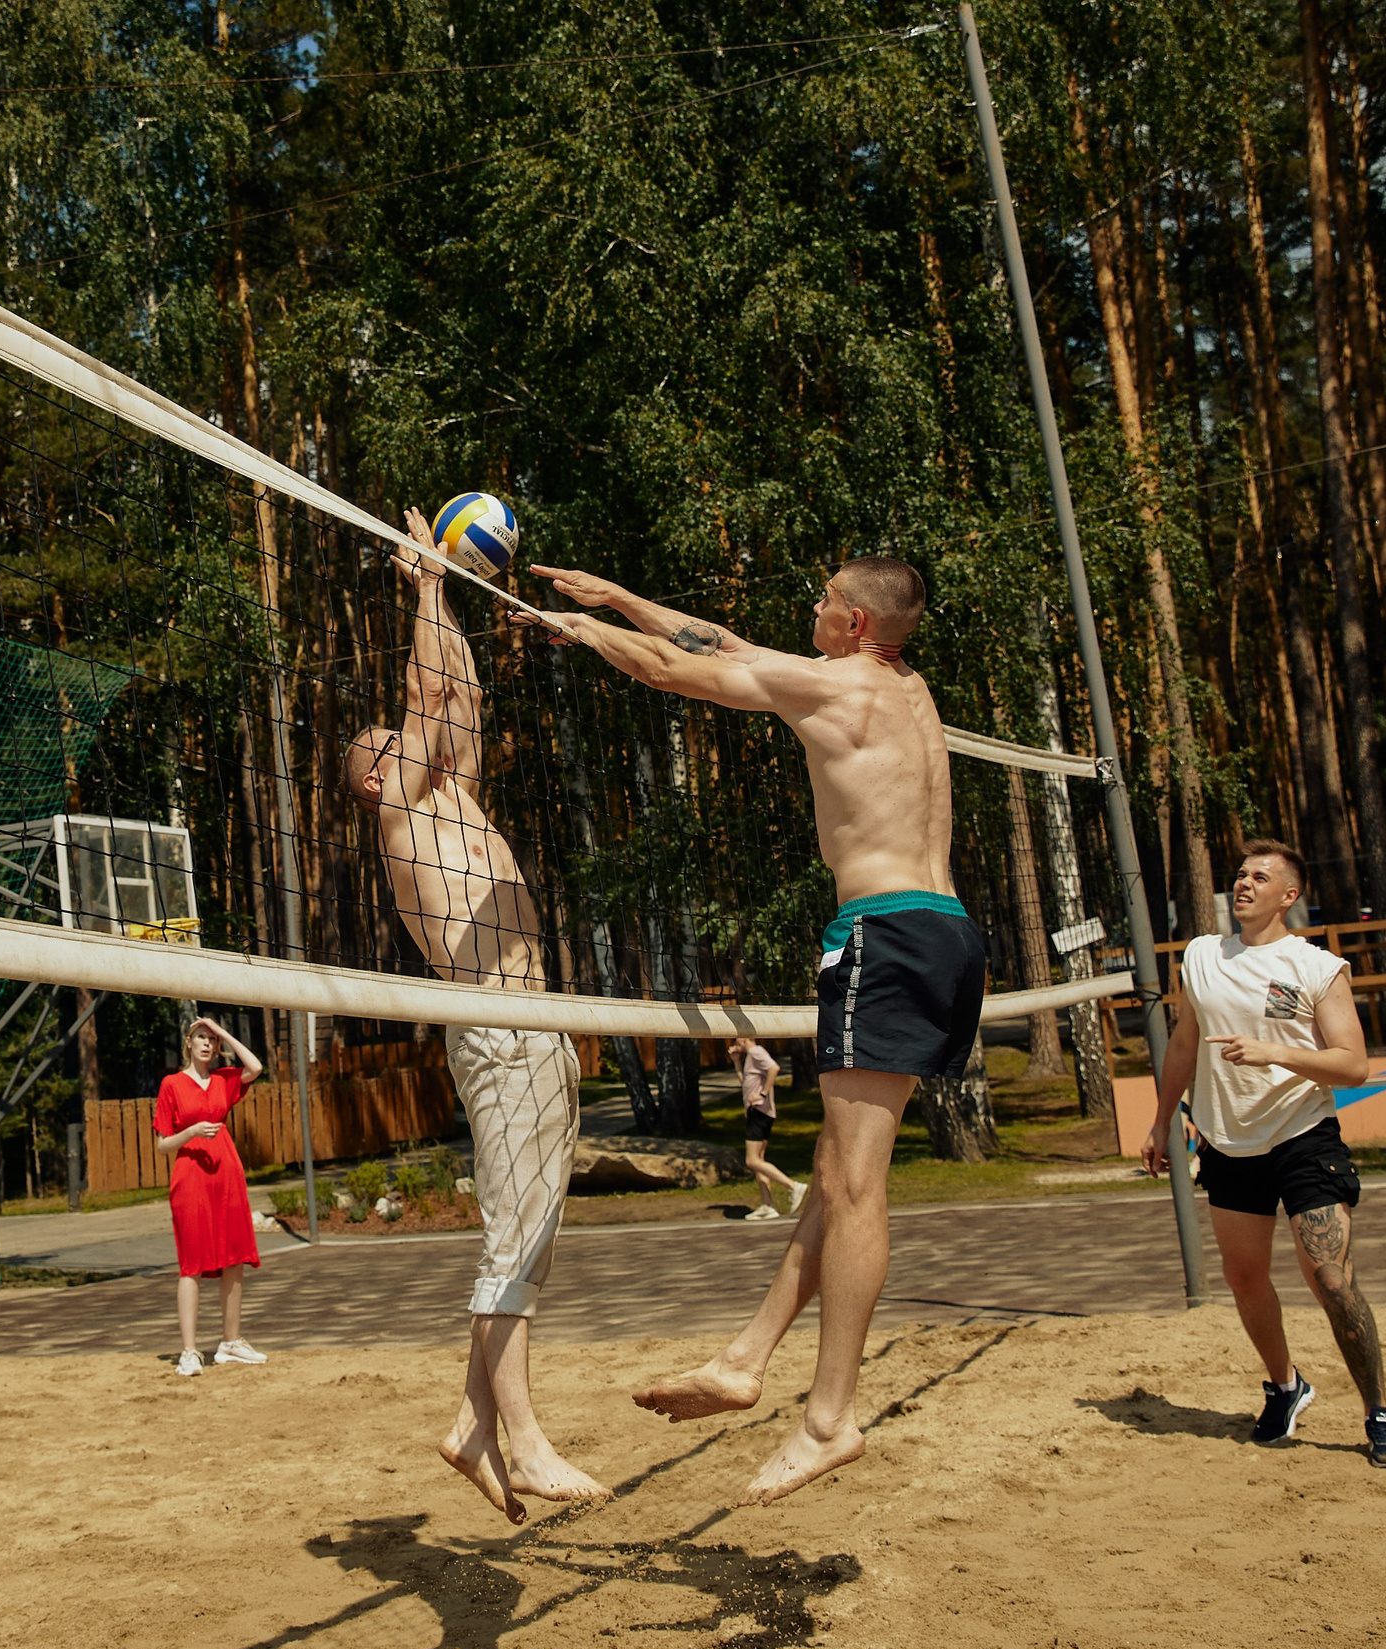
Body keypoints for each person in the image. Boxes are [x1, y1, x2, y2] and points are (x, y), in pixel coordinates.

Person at [531, 555, 982, 1504]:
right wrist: (618, 596)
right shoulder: (900, 685)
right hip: (942, 932)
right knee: (834, 1171)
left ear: (856, 623)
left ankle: (830, 1419)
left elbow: (673, 671)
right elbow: (724, 646)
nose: (813, 606)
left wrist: (578, 633)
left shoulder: (838, 688)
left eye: (826, 598)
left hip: (886, 935)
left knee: (853, 1188)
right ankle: (745, 1359)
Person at [343, 508, 610, 1523]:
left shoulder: (451, 795)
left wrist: (441, 597)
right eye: (388, 737)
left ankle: (471, 1423)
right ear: (374, 775)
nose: (408, 727)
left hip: (532, 1018)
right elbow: (431, 696)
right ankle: (525, 1441)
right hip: (498, 1023)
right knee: (514, 1235)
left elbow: (459, 699)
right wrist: (425, 586)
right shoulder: (402, 811)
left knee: (530, 1229)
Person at [1141, 841, 1386, 1467]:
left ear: (1288, 895)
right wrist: (1161, 1120)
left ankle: (1378, 1412)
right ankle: (1285, 1386)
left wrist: (1275, 1052)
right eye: (1240, 874)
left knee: (1332, 1279)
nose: (1244, 884)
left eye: (1260, 877)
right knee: (1243, 1277)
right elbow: (1185, 1044)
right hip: (1227, 1141)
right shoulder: (1201, 956)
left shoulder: (1317, 966)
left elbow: (1354, 1065)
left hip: (1302, 1134)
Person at [154, 1015, 268, 1376]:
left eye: (212, 1040)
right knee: (192, 1263)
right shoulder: (172, 1084)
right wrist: (191, 1131)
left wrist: (223, 1032)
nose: (207, 1044)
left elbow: (256, 1067)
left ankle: (230, 1342)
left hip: (227, 1175)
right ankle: (189, 1351)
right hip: (190, 1177)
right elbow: (162, 1144)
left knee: (234, 1257)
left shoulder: (223, 1080)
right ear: (188, 1043)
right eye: (201, 1037)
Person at [728, 1034, 806, 1222]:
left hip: (759, 1112)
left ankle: (793, 1186)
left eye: (736, 1039)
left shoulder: (756, 1052)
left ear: (744, 1038)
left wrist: (762, 1094)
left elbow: (774, 1068)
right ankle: (767, 1206)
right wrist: (736, 1062)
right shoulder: (751, 1057)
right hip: (760, 1113)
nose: (734, 1043)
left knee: (752, 1160)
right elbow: (746, 1084)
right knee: (759, 1161)